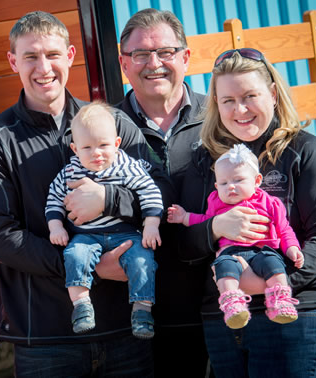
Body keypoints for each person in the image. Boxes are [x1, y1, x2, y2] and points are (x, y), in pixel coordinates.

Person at [0, 11, 167, 376]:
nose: (43, 67)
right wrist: (92, 269)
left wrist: (108, 200)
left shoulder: (114, 123)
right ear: (13, 61)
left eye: (52, 55)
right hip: (45, 342)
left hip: (126, 332)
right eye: (30, 56)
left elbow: (161, 197)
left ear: (71, 55)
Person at [176, 47, 316, 377]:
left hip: (297, 313)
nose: (240, 109)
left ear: (272, 93)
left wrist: (265, 283)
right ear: (216, 104)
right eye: (227, 100)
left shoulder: (307, 153)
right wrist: (214, 227)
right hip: (225, 320)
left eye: (249, 96)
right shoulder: (204, 163)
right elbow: (183, 244)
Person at [115, 8, 211, 375]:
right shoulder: (106, 129)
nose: (153, 63)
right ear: (124, 63)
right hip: (144, 316)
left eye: (165, 52)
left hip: (222, 301)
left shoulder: (220, 117)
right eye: (140, 54)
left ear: (185, 57)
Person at [46, 101, 162, 339]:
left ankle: (142, 311)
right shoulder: (70, 172)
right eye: (87, 147)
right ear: (75, 149)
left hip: (127, 234)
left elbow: (150, 192)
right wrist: (55, 225)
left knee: (143, 260)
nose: (96, 153)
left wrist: (151, 224)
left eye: (103, 145)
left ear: (117, 144)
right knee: (74, 255)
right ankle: (81, 306)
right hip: (86, 235)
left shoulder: (127, 165)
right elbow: (53, 199)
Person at [168, 144, 304, 329]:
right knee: (223, 268)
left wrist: (292, 248)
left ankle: (280, 301)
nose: (230, 187)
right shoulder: (216, 202)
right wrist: (185, 217)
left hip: (263, 250)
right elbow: (206, 221)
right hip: (230, 252)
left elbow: (284, 229)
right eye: (223, 183)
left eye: (238, 180)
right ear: (216, 186)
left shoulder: (270, 203)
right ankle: (232, 303)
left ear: (257, 180)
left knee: (275, 265)